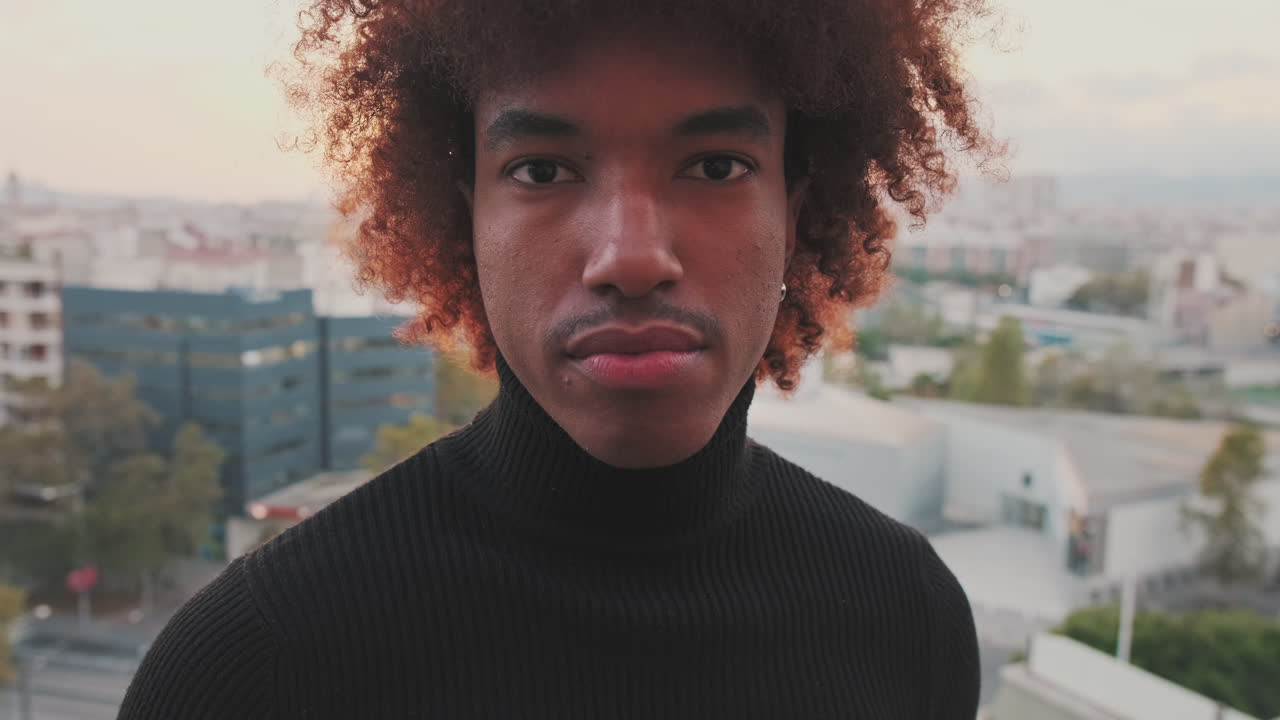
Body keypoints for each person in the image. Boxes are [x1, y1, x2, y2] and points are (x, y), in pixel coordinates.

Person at [119, 1, 1000, 717]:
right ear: (467, 218)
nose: (631, 257)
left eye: (716, 166)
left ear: (795, 213)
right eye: (542, 171)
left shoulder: (908, 617)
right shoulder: (254, 668)